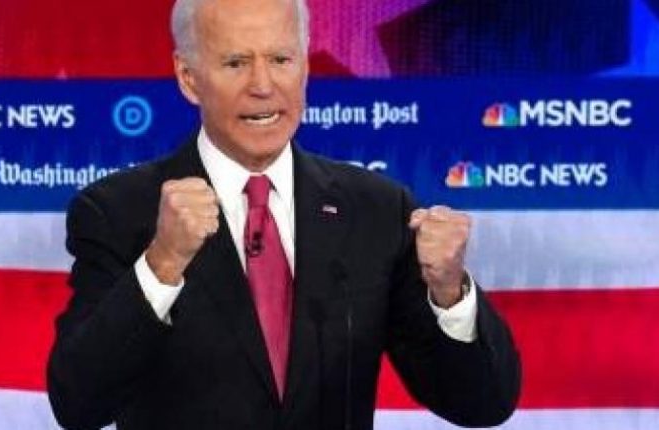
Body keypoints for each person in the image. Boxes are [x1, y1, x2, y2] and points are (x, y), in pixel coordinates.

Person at [46, 0, 521, 428]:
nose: (262, 85)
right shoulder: (117, 213)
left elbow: (482, 404)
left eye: (280, 60)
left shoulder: (376, 210)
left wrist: (449, 292)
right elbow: (79, 405)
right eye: (236, 63)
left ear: (304, 68)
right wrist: (162, 264)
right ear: (189, 78)